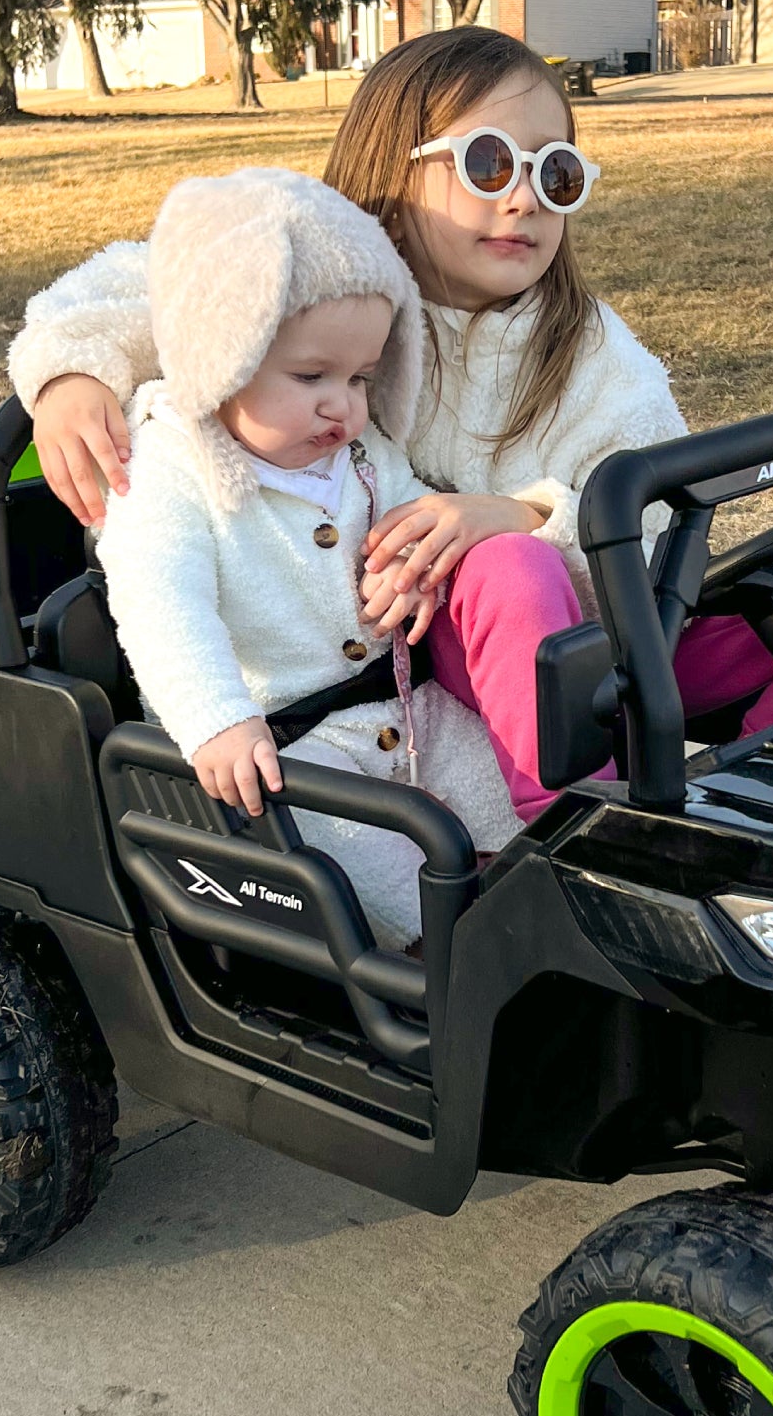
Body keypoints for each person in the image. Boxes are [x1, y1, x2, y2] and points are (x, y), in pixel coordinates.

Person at [9, 27, 773, 822]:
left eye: (557, 172)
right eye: (490, 162)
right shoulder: (324, 271)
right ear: (391, 167)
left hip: (623, 630)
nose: (525, 197)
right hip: (460, 638)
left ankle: (748, 792)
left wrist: (526, 512)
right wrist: (72, 370)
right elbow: (150, 278)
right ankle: (576, 831)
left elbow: (660, 513)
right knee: (505, 569)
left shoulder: (587, 346)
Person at [91, 166, 521, 946]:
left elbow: (410, 514)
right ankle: (441, 964)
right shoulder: (174, 467)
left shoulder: (362, 454)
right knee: (372, 865)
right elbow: (159, 602)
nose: (342, 404)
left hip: (403, 709)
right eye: (310, 375)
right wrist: (216, 719)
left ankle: (525, 924)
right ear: (223, 353)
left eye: (360, 377)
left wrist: (418, 564)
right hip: (285, 747)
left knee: (513, 806)